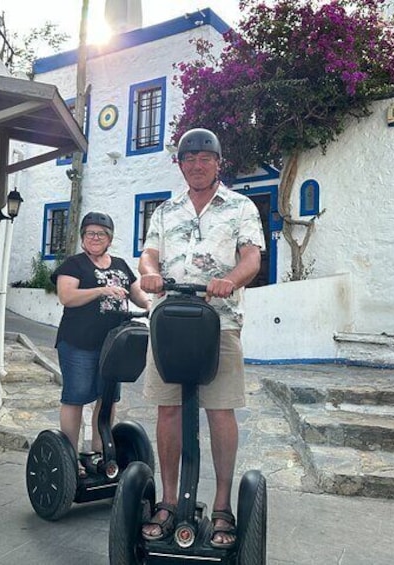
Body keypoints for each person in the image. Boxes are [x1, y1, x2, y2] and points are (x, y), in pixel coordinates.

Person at [138, 128, 265, 548]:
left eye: (204, 158)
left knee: (220, 411)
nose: (196, 164)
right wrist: (149, 273)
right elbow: (149, 253)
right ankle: (170, 500)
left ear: (217, 162)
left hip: (220, 323)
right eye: (188, 158)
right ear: (180, 164)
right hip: (170, 322)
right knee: (168, 411)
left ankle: (223, 504)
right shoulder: (165, 210)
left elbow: (252, 257)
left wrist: (229, 279)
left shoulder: (240, 207)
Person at [52, 211, 151, 476]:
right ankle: (69, 459)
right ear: (83, 237)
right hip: (78, 342)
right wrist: (101, 290)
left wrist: (152, 306)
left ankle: (99, 453)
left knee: (107, 398)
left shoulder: (119, 264)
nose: (95, 237)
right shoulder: (74, 265)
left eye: (101, 234)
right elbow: (67, 296)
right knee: (75, 397)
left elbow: (136, 292)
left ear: (109, 238)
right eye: (90, 233)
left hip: (114, 345)